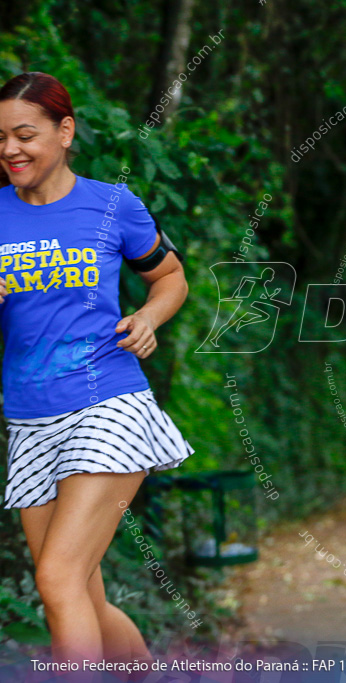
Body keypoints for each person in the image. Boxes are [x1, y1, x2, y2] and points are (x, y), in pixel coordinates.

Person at [0, 72, 192, 671]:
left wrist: (149, 317)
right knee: (79, 593)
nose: (10, 150)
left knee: (57, 580)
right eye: (0, 138)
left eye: (24, 134)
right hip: (29, 418)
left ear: (65, 131)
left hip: (106, 402)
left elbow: (171, 275)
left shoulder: (113, 205)